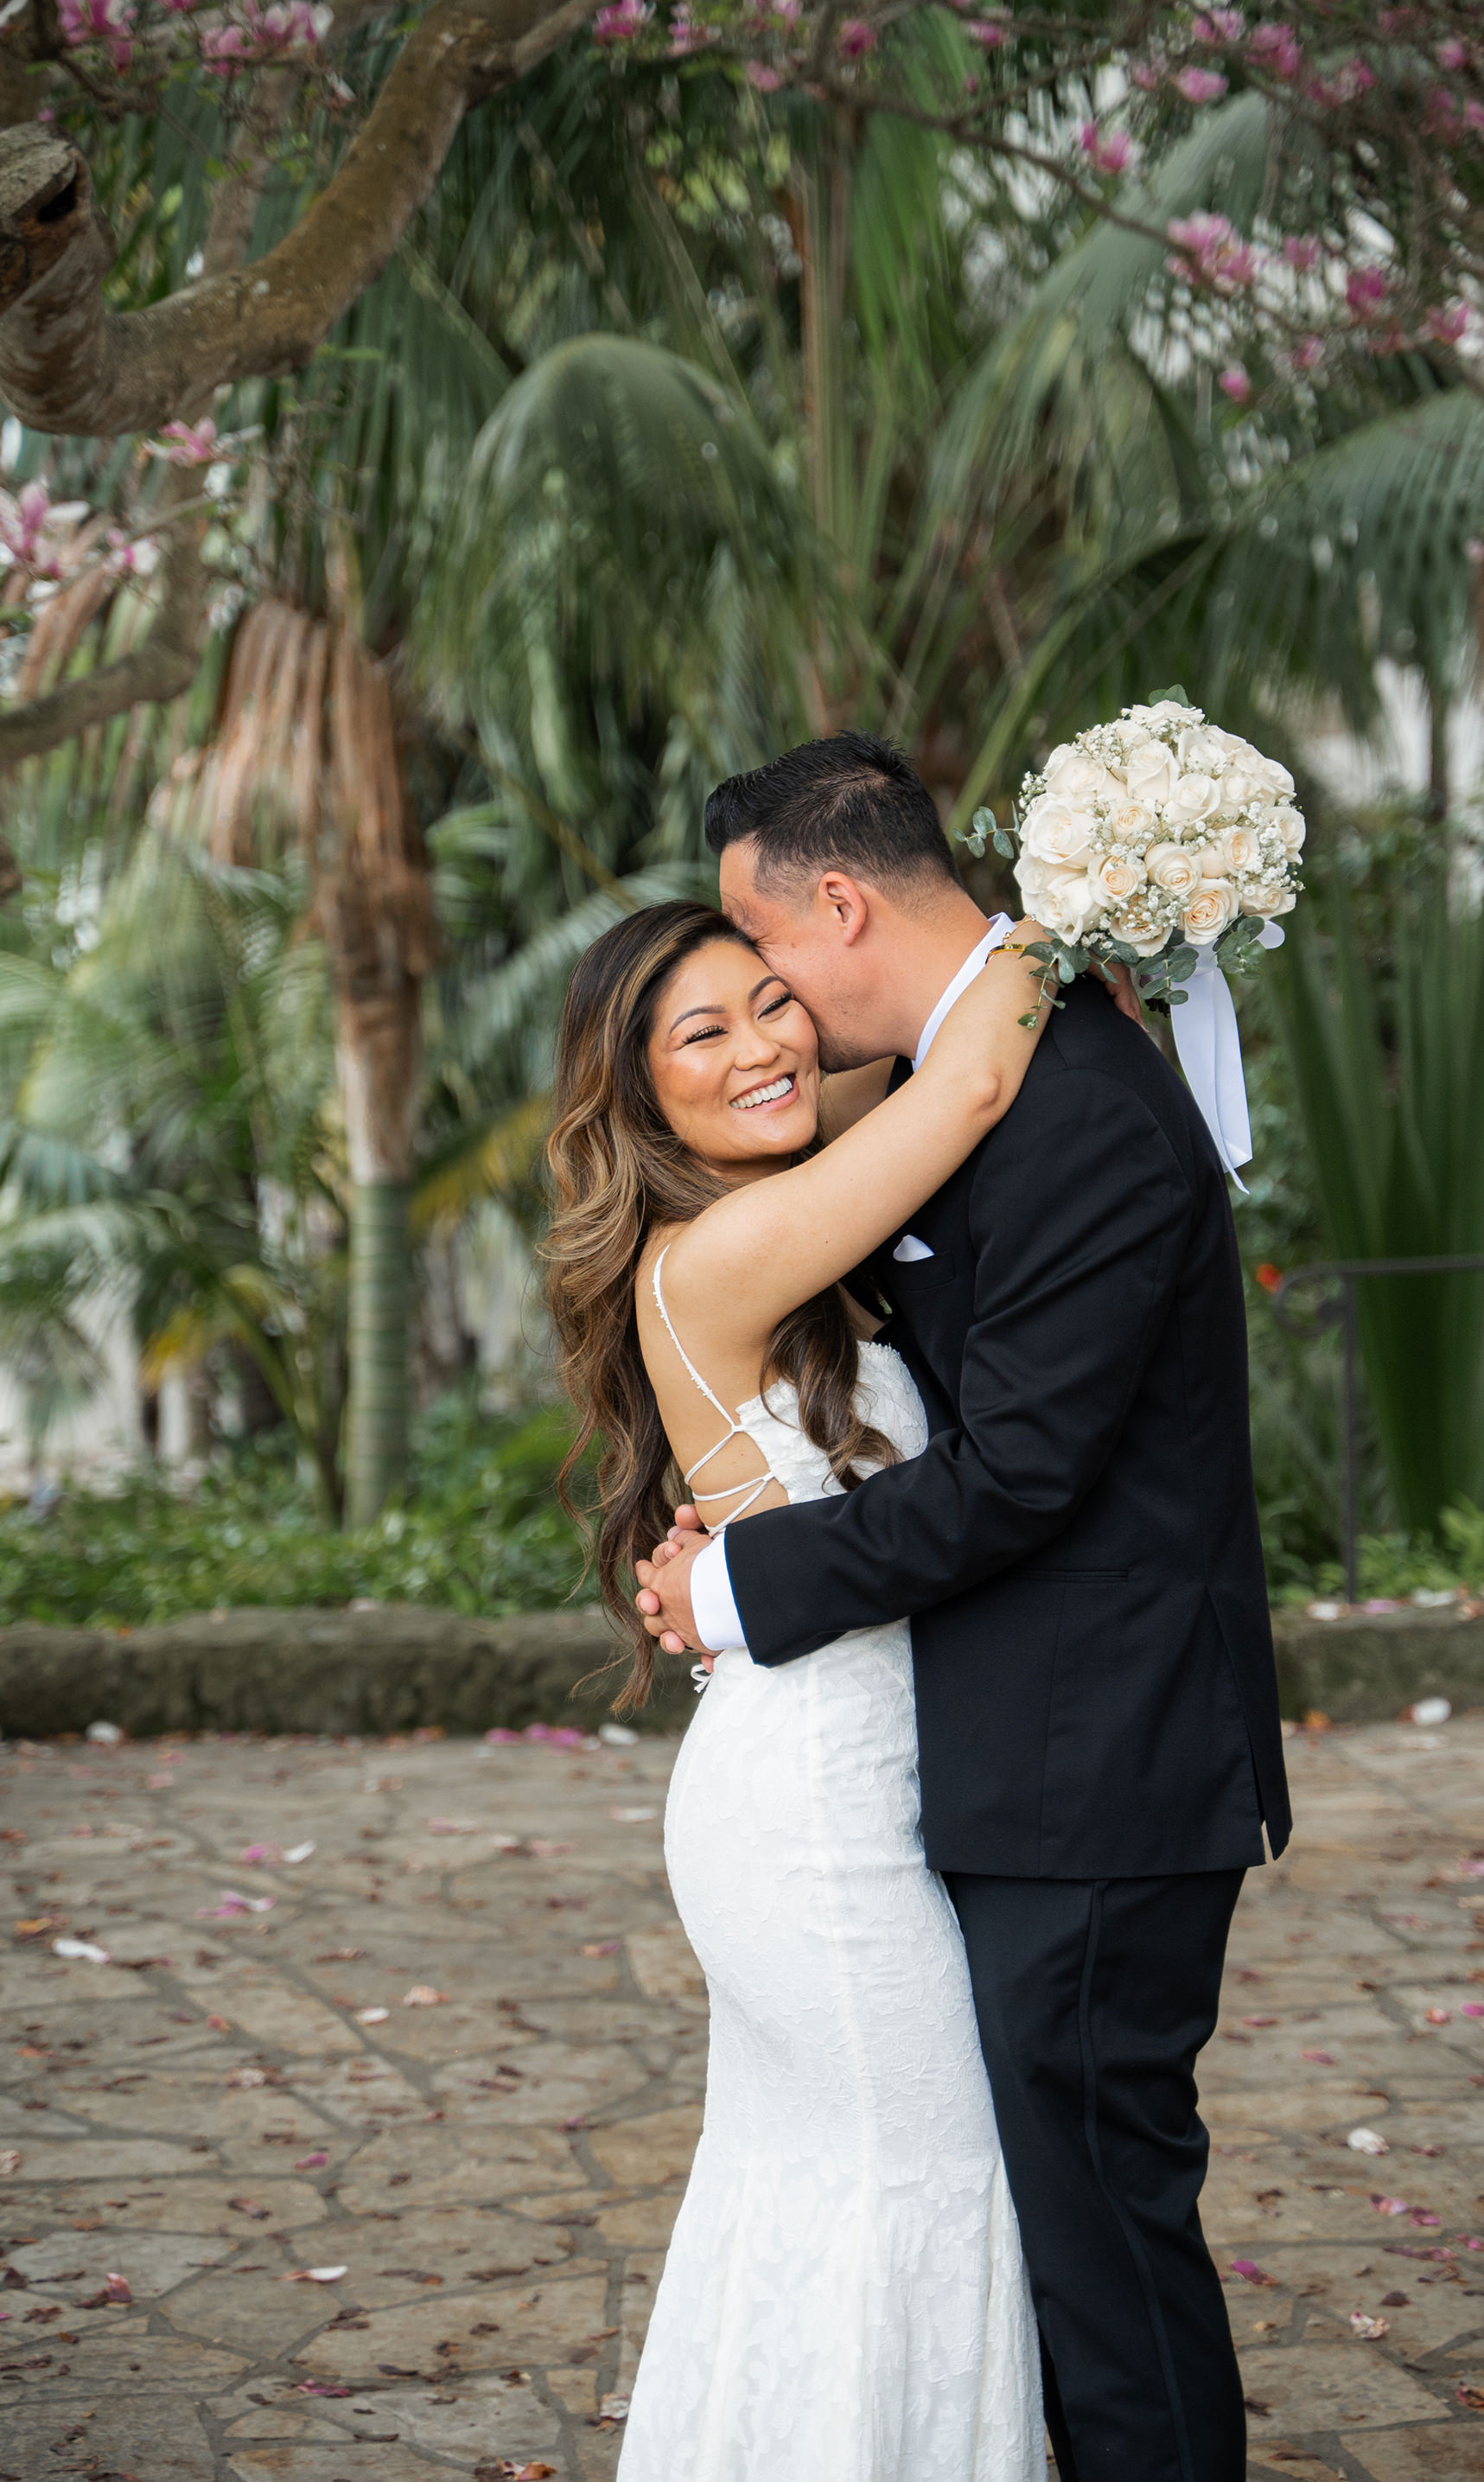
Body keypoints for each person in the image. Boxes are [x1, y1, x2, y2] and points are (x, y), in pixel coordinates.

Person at [634, 733, 1292, 2482]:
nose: (767, 1012)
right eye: (711, 1016)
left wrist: (735, 1580)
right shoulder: (957, 1088)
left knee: (1094, 2253)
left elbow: (1014, 1476)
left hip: (1099, 1766)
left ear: (833, 901)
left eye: (764, 966)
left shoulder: (1057, 1096)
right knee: (1037, 2231)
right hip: (965, 1770)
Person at [542, 890, 1070, 2481]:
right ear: (637, 1098)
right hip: (812, 1814)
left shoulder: (788, 1189)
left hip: (854, 1775)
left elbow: (895, 1046)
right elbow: (969, 1075)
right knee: (931, 2171)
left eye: (773, 1000)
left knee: (816, 2186)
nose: (766, 1046)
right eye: (701, 1033)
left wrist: (831, 1019)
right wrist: (1107, 877)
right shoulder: (720, 1251)